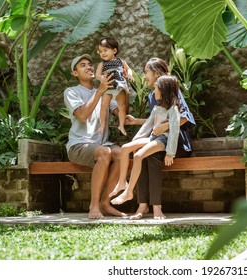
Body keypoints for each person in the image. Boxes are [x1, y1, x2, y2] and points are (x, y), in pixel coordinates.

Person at [124, 57, 195, 220]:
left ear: (156, 73)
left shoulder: (173, 91)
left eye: (146, 72)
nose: (144, 76)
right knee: (140, 153)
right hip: (160, 140)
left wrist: (165, 126)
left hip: (177, 143)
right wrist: (136, 121)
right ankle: (143, 205)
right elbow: (155, 120)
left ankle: (155, 207)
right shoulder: (152, 96)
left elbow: (185, 117)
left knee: (151, 155)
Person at [64, 54, 127, 219]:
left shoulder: (105, 92)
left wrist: (124, 85)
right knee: (104, 152)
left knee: (121, 153)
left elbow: (122, 113)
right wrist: (100, 90)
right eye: (82, 65)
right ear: (75, 73)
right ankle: (93, 206)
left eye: (90, 64)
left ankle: (105, 203)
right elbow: (83, 115)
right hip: (79, 145)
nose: (89, 67)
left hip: (101, 144)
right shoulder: (72, 92)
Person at [110, 75, 181, 207]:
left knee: (138, 155)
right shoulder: (156, 109)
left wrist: (170, 153)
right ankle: (122, 183)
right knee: (125, 148)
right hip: (153, 137)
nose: (154, 92)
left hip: (163, 140)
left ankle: (129, 192)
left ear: (164, 90)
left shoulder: (173, 109)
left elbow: (175, 131)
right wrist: (136, 141)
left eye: (156, 88)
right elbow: (147, 126)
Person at [96, 37, 134, 137]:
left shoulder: (121, 61)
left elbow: (128, 69)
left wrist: (130, 74)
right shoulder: (102, 64)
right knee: (104, 106)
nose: (103, 53)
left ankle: (121, 125)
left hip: (120, 87)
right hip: (108, 87)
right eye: (100, 51)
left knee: (122, 107)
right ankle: (103, 124)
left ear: (114, 50)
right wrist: (101, 77)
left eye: (105, 50)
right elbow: (97, 75)